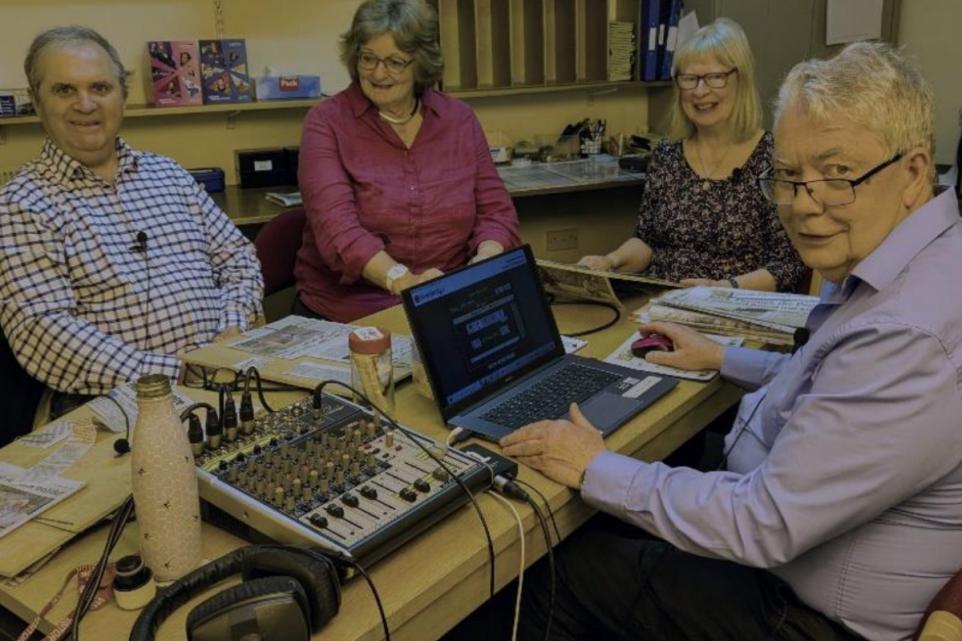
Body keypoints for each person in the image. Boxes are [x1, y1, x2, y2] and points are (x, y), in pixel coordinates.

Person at [502, 42, 962, 641]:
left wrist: (594, 466)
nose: (804, 204)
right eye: (790, 177)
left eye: (837, 175)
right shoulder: (915, 262)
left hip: (800, 612)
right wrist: (721, 357)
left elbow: (761, 523)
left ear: (913, 172)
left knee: (545, 578)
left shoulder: (909, 332)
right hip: (784, 547)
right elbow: (839, 389)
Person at [0, 27, 263, 420]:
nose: (85, 104)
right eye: (65, 90)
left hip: (222, 374)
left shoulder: (169, 174)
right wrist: (182, 372)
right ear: (38, 102)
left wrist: (229, 330)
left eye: (100, 88)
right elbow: (46, 334)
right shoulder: (20, 204)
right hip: (109, 404)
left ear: (122, 95)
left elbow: (238, 258)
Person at [294, 0, 520, 322]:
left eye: (395, 62)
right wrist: (405, 282)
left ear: (421, 64)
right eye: (368, 58)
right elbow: (337, 229)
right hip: (353, 308)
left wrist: (483, 262)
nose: (378, 73)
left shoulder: (459, 120)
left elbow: (496, 211)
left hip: (450, 297)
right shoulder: (326, 122)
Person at [578, 18, 804, 292]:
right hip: (661, 304)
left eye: (715, 77)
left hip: (734, 311)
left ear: (740, 80)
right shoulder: (666, 156)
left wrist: (722, 288)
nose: (699, 91)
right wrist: (610, 261)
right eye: (689, 79)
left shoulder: (773, 158)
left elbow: (788, 264)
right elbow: (647, 242)